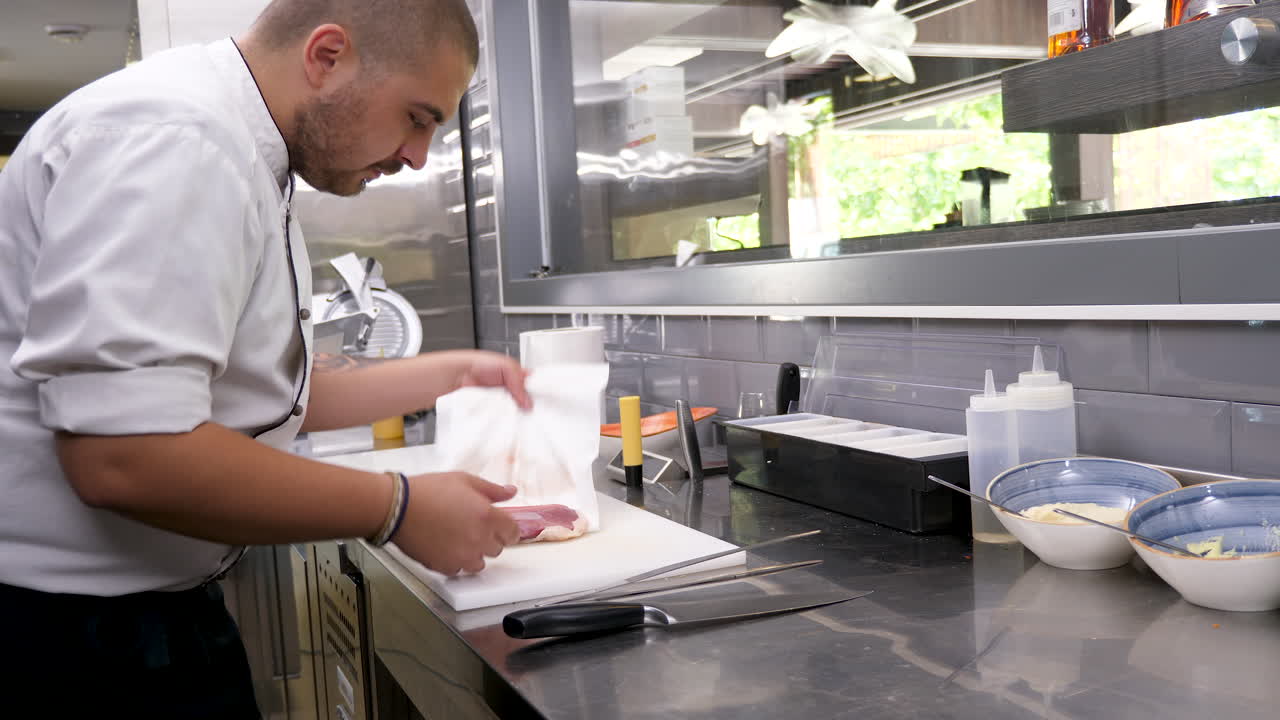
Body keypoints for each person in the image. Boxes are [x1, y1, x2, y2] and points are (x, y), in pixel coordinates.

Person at [0, 0, 520, 716]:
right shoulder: (178, 140)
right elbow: (123, 454)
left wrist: (452, 373)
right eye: (418, 117)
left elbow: (244, 392)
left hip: (131, 622)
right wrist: (396, 506)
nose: (417, 156)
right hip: (73, 645)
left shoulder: (241, 151)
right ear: (327, 55)